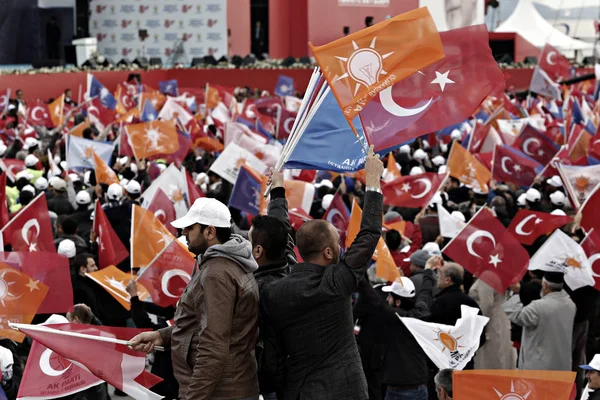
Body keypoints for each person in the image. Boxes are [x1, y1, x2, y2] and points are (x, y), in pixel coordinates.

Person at [261, 145, 384, 400]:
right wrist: (373, 181)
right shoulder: (336, 284)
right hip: (347, 392)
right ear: (328, 253)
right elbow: (369, 233)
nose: (341, 248)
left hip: (299, 392)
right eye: (338, 243)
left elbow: (282, 238)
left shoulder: (275, 291)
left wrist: (278, 191)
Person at [129, 197, 261, 400]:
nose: (183, 233)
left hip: (220, 393)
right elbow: (213, 327)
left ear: (210, 232)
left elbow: (214, 346)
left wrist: (193, 397)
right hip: (228, 387)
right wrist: (162, 336)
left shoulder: (217, 273)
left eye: (190, 228)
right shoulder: (224, 264)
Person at [355, 256, 439, 400]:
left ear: (398, 302)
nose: (387, 299)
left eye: (390, 297)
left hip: (400, 391)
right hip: (419, 386)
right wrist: (428, 270)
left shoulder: (396, 319)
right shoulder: (422, 312)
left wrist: (353, 268)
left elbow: (369, 295)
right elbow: (426, 293)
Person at [248, 169, 296, 398]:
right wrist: (277, 191)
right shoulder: (291, 266)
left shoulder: (257, 292)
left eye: (249, 241)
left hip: (271, 381)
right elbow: (281, 229)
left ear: (257, 251)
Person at [504, 271, 576, 370]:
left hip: (538, 365)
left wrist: (518, 293)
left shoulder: (538, 307)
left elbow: (516, 315)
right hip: (562, 364)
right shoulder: (570, 304)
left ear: (545, 285)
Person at [469, 278, 516, 369]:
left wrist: (478, 324)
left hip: (490, 322)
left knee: (491, 355)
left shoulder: (486, 277)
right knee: (500, 354)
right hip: (500, 317)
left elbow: (486, 305)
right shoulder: (497, 275)